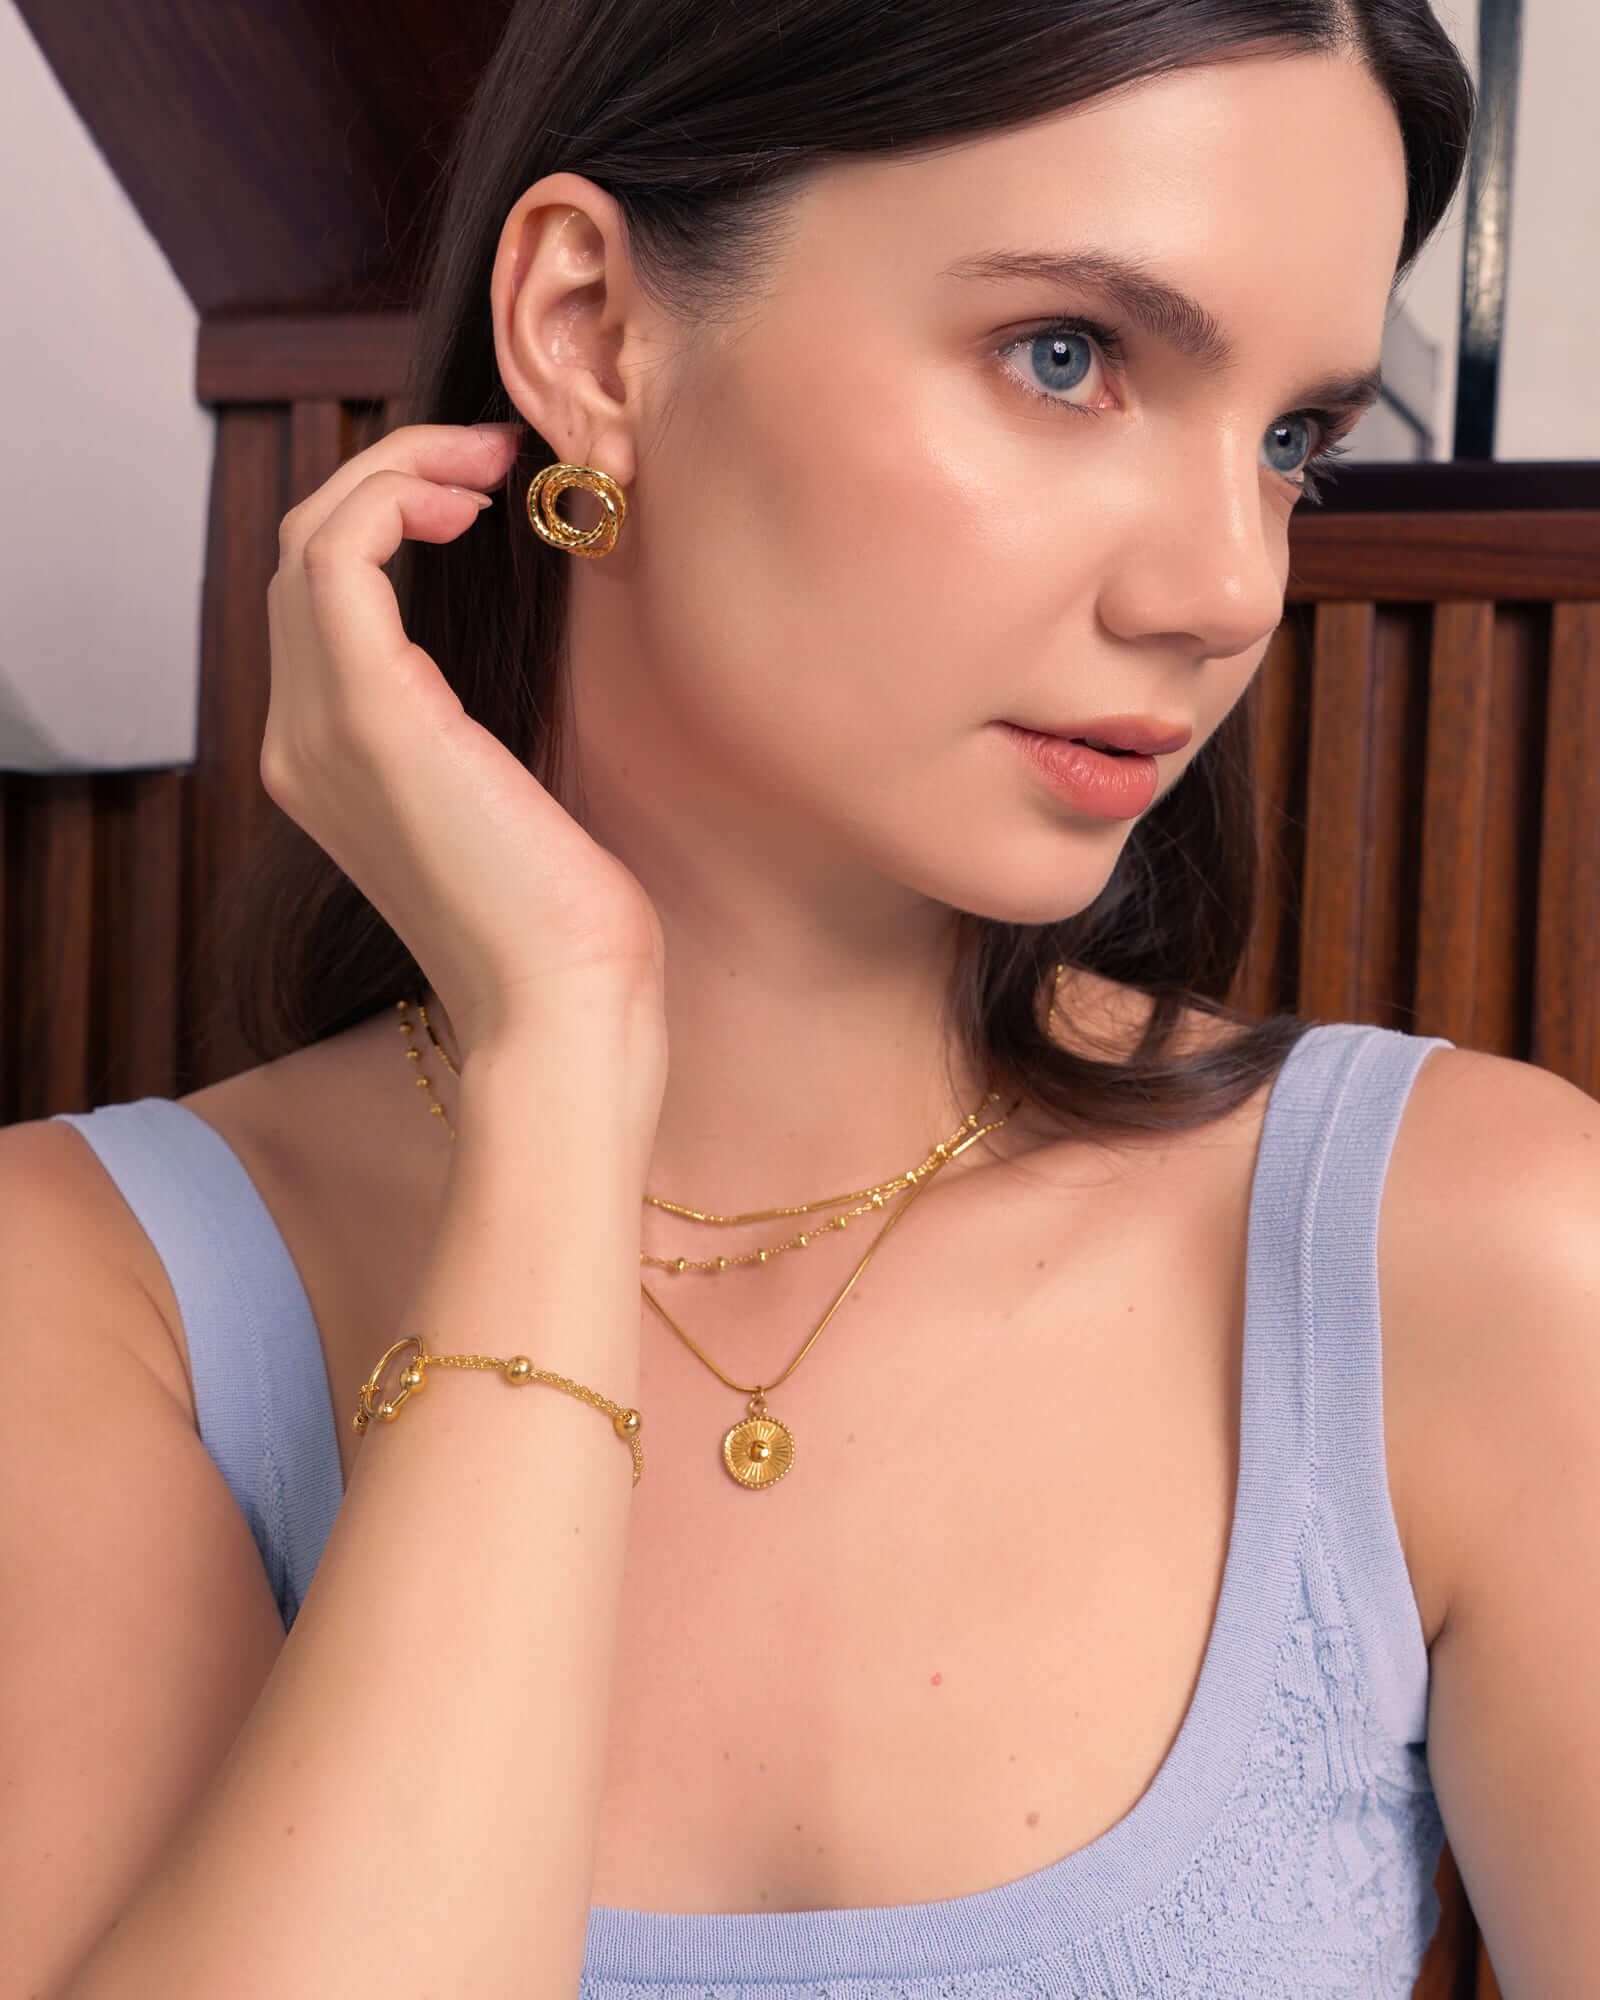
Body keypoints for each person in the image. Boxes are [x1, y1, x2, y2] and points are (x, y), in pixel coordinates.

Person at [5, 1, 1597, 1994]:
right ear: (592, 332)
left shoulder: (1473, 1262)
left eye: (1289, 441)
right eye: (1064, 356)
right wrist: (560, 1066)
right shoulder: (87, 1301)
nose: (1221, 589)